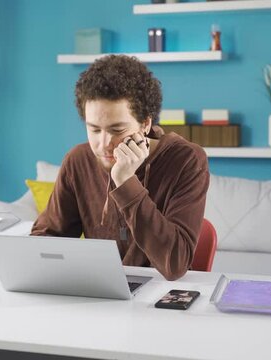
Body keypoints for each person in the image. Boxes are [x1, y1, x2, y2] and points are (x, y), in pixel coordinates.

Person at [31, 55, 209, 281]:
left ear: (145, 124)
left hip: (159, 296)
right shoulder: (79, 160)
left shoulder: (187, 160)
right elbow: (48, 238)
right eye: (94, 130)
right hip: (99, 292)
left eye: (117, 130)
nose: (104, 143)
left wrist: (126, 182)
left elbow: (175, 264)